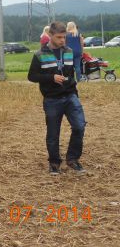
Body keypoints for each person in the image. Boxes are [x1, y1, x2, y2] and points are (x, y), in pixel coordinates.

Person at [28, 21, 86, 176]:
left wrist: (74, 91)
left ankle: (72, 159)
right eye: (59, 37)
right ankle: (54, 163)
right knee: (53, 133)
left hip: (70, 96)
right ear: (50, 35)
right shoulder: (39, 55)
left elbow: (70, 73)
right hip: (52, 99)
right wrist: (51, 78)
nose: (62, 40)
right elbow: (32, 76)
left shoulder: (68, 51)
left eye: (64, 37)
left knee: (79, 126)